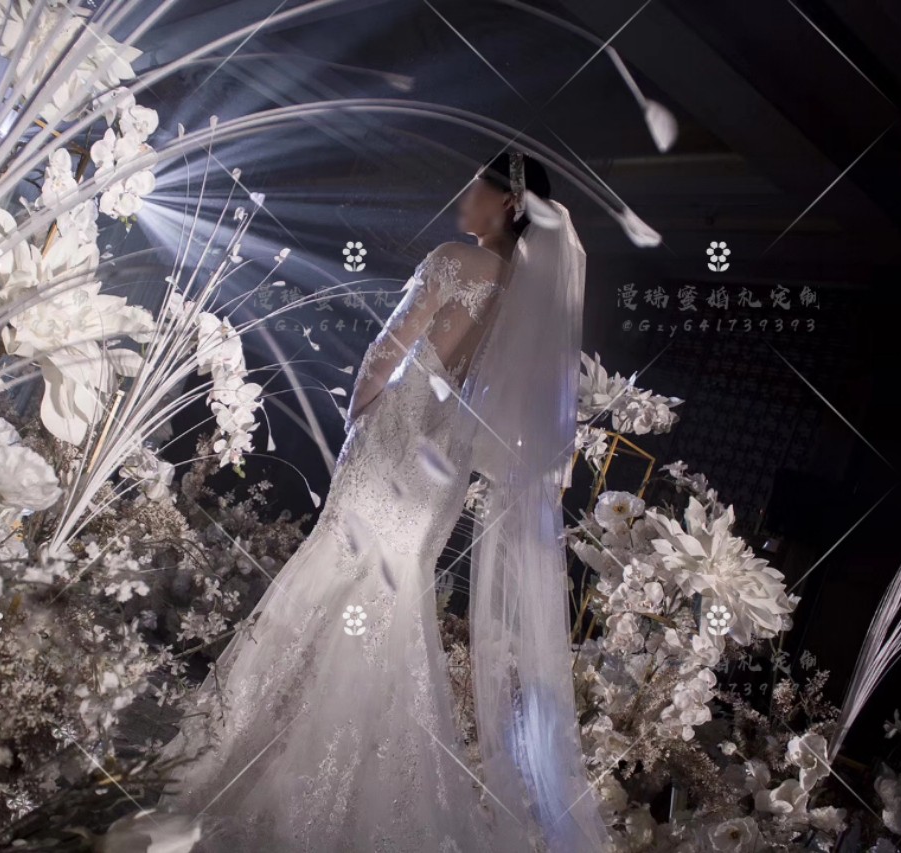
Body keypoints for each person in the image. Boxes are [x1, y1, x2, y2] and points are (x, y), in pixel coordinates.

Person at [108, 150, 608, 852]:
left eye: (476, 186)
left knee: (336, 568)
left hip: (398, 432)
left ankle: (267, 760)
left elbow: (389, 346)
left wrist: (359, 415)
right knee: (391, 598)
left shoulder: (453, 260)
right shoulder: (526, 296)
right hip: (445, 461)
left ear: (507, 203)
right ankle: (344, 780)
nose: (463, 195)